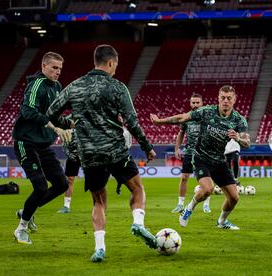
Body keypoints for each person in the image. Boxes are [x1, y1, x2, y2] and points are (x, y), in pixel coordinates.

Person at [47, 44, 157, 262]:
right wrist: (147, 146)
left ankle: (100, 248)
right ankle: (138, 223)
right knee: (137, 189)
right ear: (110, 63)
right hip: (115, 149)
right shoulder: (117, 87)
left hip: (88, 153)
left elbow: (51, 113)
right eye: (115, 65)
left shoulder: (74, 86)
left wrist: (70, 122)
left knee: (99, 201)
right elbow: (132, 122)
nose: (115, 69)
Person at [150, 85, 250, 230]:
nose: (225, 101)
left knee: (234, 197)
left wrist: (238, 139)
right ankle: (188, 208)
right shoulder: (206, 112)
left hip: (219, 161)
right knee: (208, 189)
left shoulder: (238, 120)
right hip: (201, 158)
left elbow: (247, 142)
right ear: (218, 98)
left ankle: (222, 222)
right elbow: (183, 117)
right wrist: (160, 121)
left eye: (229, 98)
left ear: (234, 100)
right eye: (223, 98)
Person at [12, 52, 73, 244]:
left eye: (60, 69)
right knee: (40, 186)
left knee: (62, 184)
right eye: (54, 68)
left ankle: (27, 211)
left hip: (43, 145)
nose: (57, 72)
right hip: (26, 142)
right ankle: (21, 228)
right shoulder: (36, 85)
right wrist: (54, 127)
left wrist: (71, 123)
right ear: (44, 66)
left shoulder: (57, 87)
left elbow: (55, 116)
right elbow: (28, 111)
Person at [171, 93, 211, 214]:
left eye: (197, 102)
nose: (195, 105)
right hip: (189, 152)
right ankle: (180, 204)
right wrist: (177, 148)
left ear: (202, 103)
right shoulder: (186, 117)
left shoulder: (207, 117)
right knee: (184, 178)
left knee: (207, 180)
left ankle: (206, 204)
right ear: (190, 103)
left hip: (204, 153)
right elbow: (181, 133)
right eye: (193, 102)